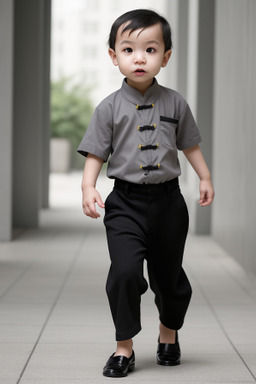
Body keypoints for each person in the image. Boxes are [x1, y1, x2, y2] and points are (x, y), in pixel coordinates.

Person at [77, 9, 214, 378]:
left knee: (168, 276)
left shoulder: (176, 103)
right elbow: (95, 152)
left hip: (169, 203)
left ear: (165, 57)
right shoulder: (107, 108)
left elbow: (190, 145)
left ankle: (168, 334)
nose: (140, 58)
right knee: (123, 273)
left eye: (150, 49)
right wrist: (88, 185)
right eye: (129, 49)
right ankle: (124, 348)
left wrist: (204, 177)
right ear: (113, 56)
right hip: (125, 204)